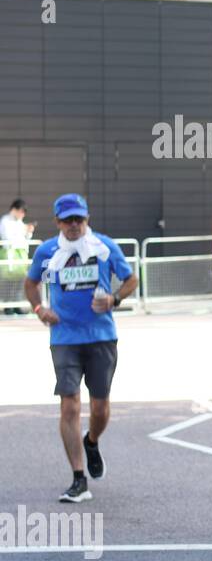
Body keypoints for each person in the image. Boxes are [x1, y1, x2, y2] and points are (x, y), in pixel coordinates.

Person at [24, 194, 138, 504]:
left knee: (100, 408)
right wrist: (39, 309)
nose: (74, 225)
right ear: (58, 222)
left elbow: (131, 279)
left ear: (87, 220)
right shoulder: (48, 251)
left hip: (101, 336)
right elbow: (30, 283)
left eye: (79, 219)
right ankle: (78, 478)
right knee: (70, 405)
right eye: (68, 220)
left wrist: (114, 299)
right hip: (64, 338)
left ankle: (92, 441)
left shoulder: (104, 247)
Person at [2, 198, 35, 313]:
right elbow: (8, 237)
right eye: (21, 211)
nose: (22, 214)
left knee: (20, 281)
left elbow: (25, 238)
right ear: (14, 209)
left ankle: (16, 305)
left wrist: (28, 231)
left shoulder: (20, 223)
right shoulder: (5, 221)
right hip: (10, 256)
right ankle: (7, 306)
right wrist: (22, 231)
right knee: (8, 282)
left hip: (21, 256)